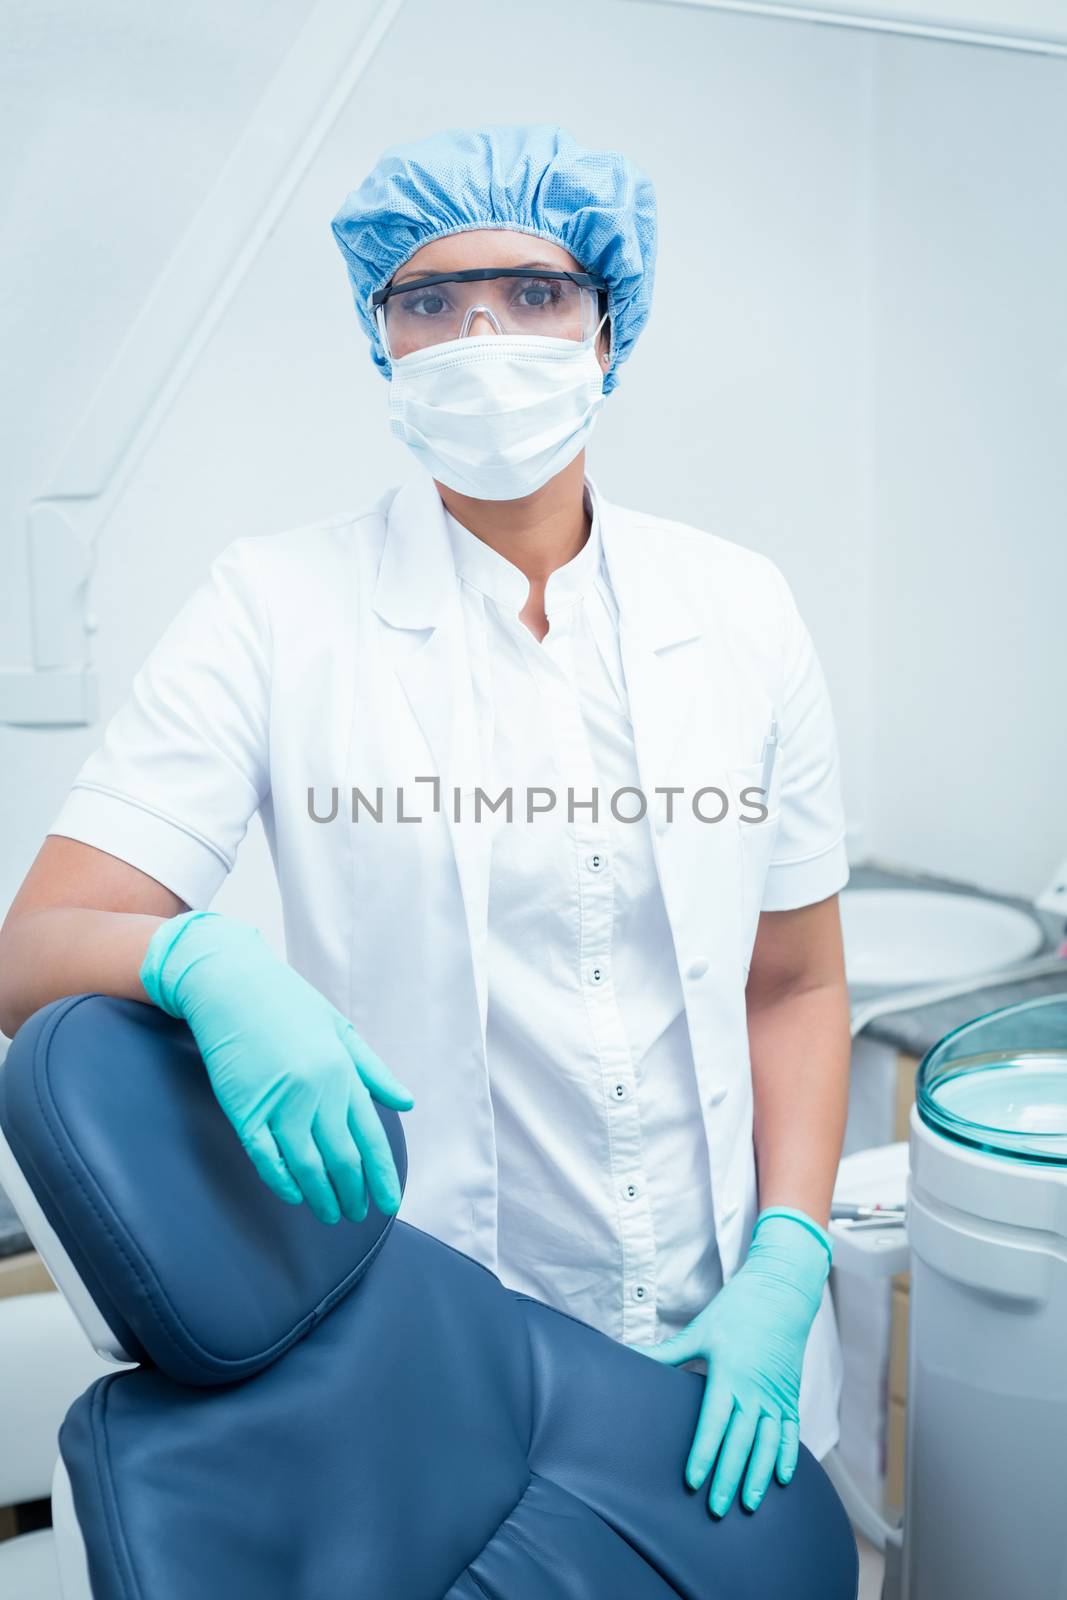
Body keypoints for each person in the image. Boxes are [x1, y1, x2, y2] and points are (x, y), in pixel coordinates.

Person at [0, 124, 852, 1523]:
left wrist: (792, 1261)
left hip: (723, 1363)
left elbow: (797, 981)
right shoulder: (275, 609)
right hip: (441, 1371)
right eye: (430, 301)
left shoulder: (744, 610)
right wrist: (200, 962)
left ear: (608, 329)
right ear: (379, 337)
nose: (482, 335)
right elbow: (31, 949)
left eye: (534, 293)